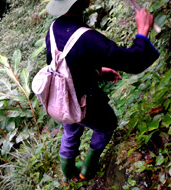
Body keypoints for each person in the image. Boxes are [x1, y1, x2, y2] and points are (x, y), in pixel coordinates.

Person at [45, 0, 159, 185]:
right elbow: (133, 62)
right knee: (107, 125)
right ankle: (87, 170)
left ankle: (67, 175)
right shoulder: (88, 38)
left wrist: (98, 71)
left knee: (71, 130)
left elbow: (65, 65)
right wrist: (142, 32)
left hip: (60, 99)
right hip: (82, 101)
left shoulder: (54, 28)